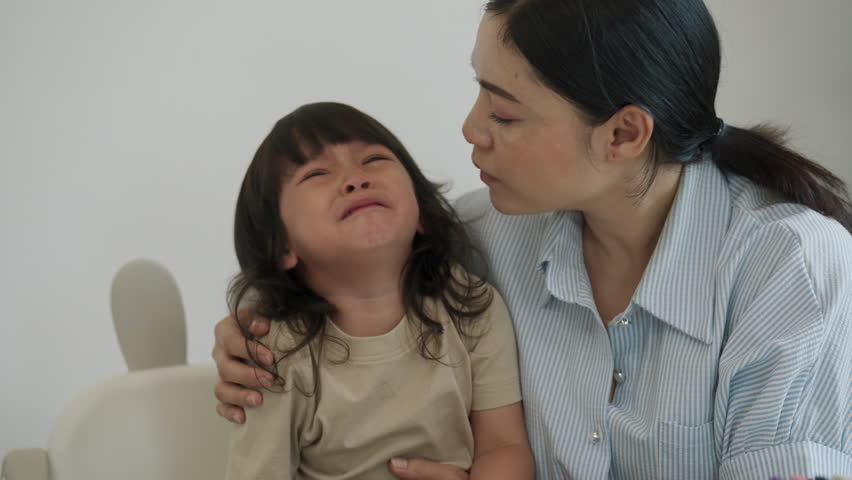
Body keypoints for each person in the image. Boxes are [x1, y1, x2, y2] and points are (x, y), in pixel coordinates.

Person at [213, 1, 852, 479]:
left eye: (504, 113)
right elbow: (349, 269)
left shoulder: (789, 269)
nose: (470, 130)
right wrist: (253, 320)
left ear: (624, 134)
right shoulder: (483, 238)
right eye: (477, 92)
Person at [222, 102, 533, 480]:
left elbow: (503, 446)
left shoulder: (472, 307)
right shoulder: (275, 351)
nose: (355, 179)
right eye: (317, 173)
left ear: (420, 213)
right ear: (281, 246)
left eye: (372, 159)